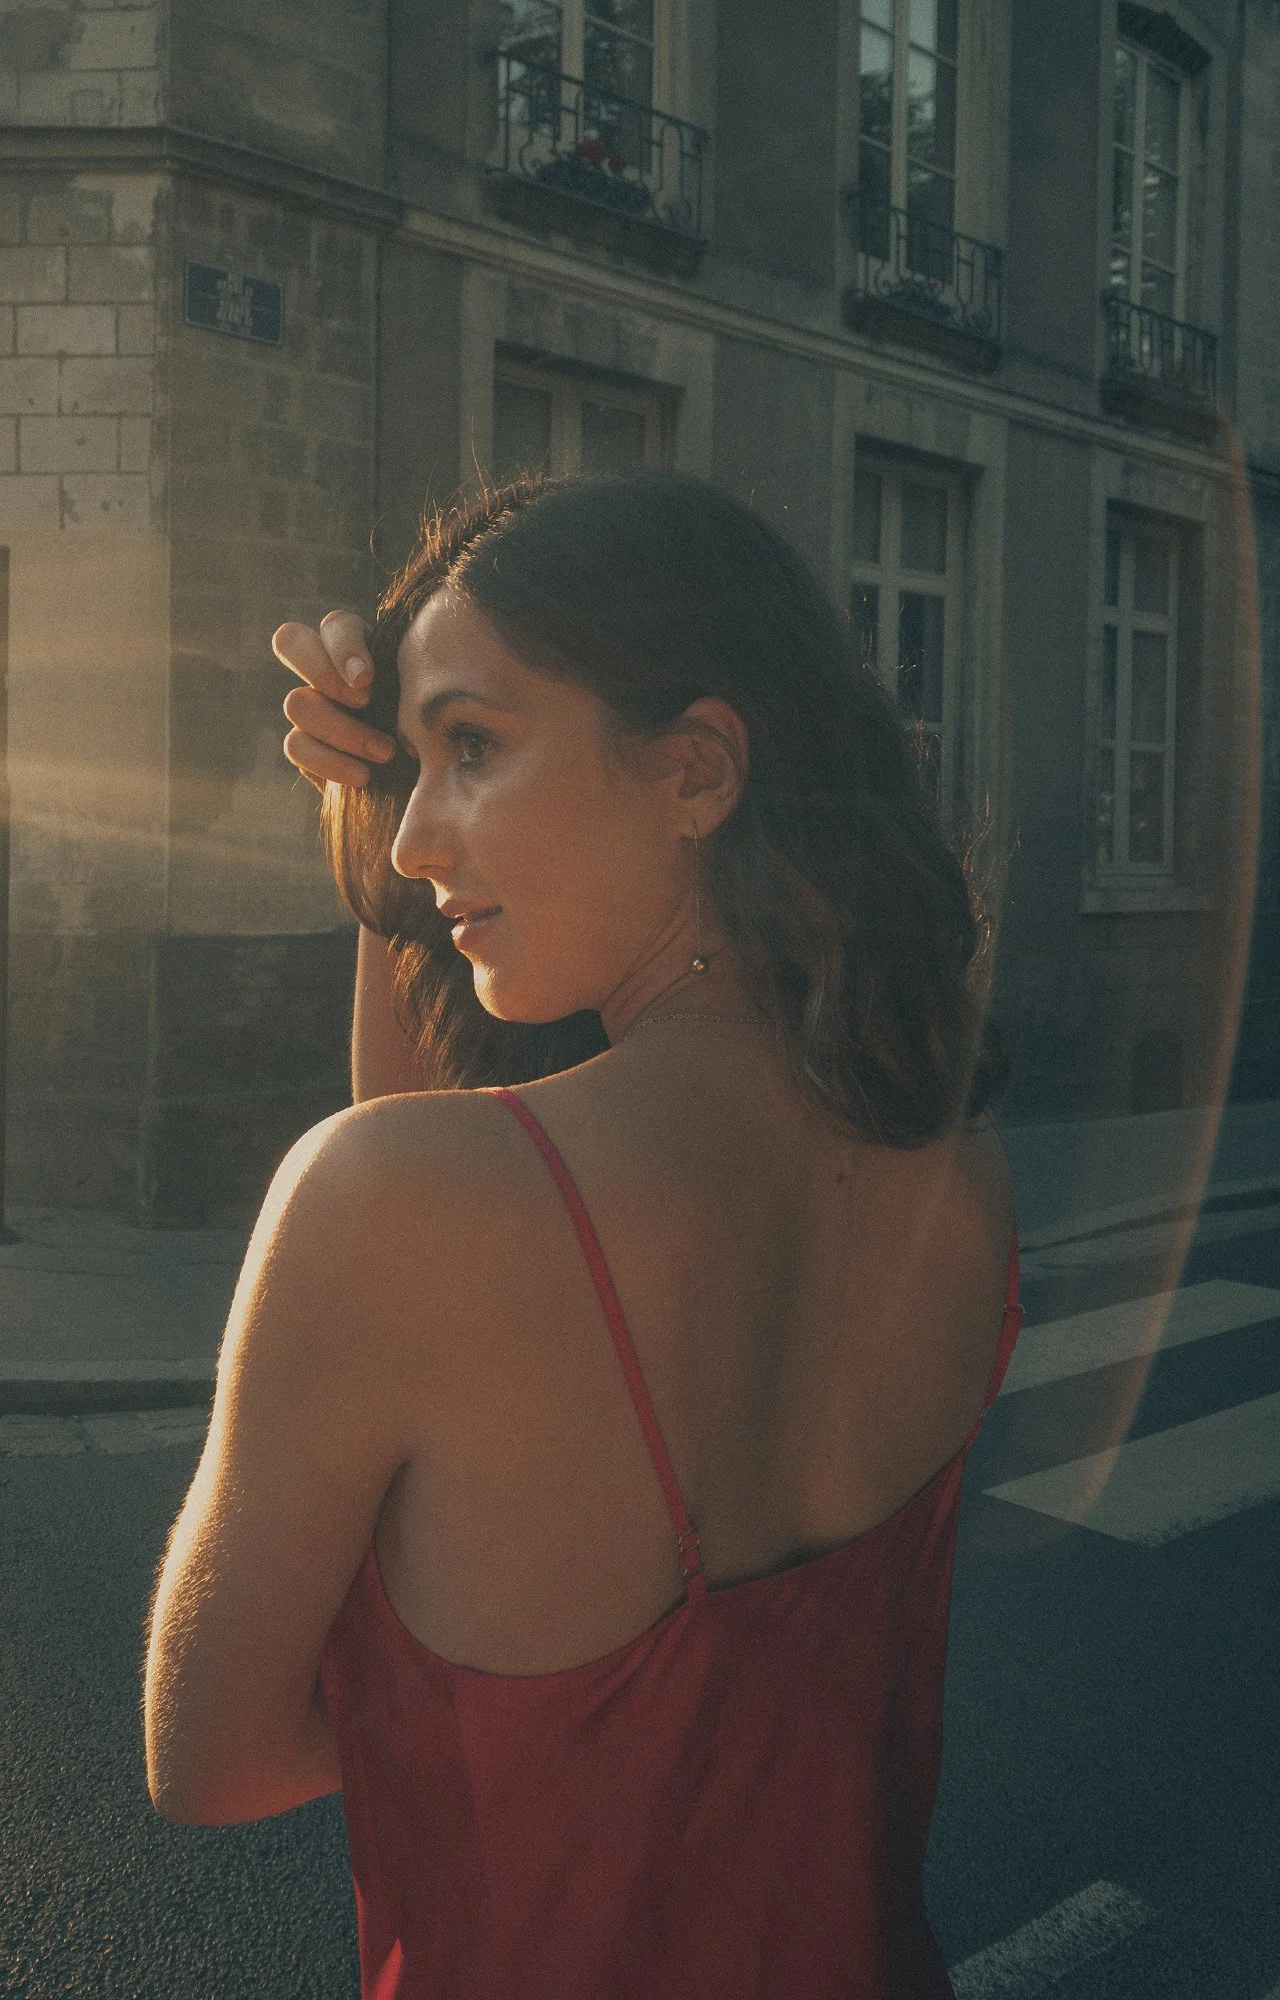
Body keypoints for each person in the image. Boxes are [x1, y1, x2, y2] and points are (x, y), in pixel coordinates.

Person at [144, 471, 1022, 1998]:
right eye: (408, 771)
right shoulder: (950, 1155)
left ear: (697, 770)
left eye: (472, 747)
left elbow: (209, 1757)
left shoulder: (395, 1217)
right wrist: (385, 842)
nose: (414, 837)